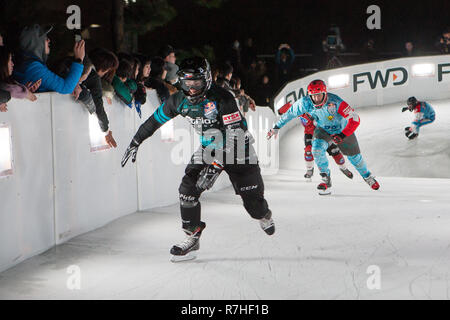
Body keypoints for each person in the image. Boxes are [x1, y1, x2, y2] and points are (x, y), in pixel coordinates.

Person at [121, 57, 275, 262]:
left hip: (239, 150)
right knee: (187, 190)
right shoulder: (177, 100)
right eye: (187, 83)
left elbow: (235, 133)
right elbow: (154, 121)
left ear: (208, 80)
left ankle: (263, 214)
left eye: (197, 83)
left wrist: (215, 166)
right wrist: (136, 140)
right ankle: (192, 236)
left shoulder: (223, 98)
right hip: (210, 147)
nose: (192, 89)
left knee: (254, 206)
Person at [268, 79, 380, 195]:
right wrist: (276, 127)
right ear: (309, 96)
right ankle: (326, 179)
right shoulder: (304, 103)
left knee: (354, 158)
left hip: (342, 130)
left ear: (325, 93)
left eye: (319, 95)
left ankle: (367, 176)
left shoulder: (336, 101)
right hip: (323, 130)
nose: (316, 99)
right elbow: (289, 114)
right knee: (316, 149)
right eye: (313, 96)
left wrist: (342, 135)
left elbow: (355, 118)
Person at [278, 101, 353, 181]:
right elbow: (287, 108)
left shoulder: (322, 109)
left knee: (334, 150)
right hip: (309, 133)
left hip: (323, 133)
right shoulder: (299, 107)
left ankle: (343, 168)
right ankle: (309, 169)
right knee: (308, 151)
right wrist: (280, 111)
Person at [13, 24, 84, 94]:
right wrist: (78, 60)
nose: (49, 40)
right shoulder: (33, 68)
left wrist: (74, 83)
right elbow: (66, 88)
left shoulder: (28, 64)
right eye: (45, 38)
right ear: (36, 43)